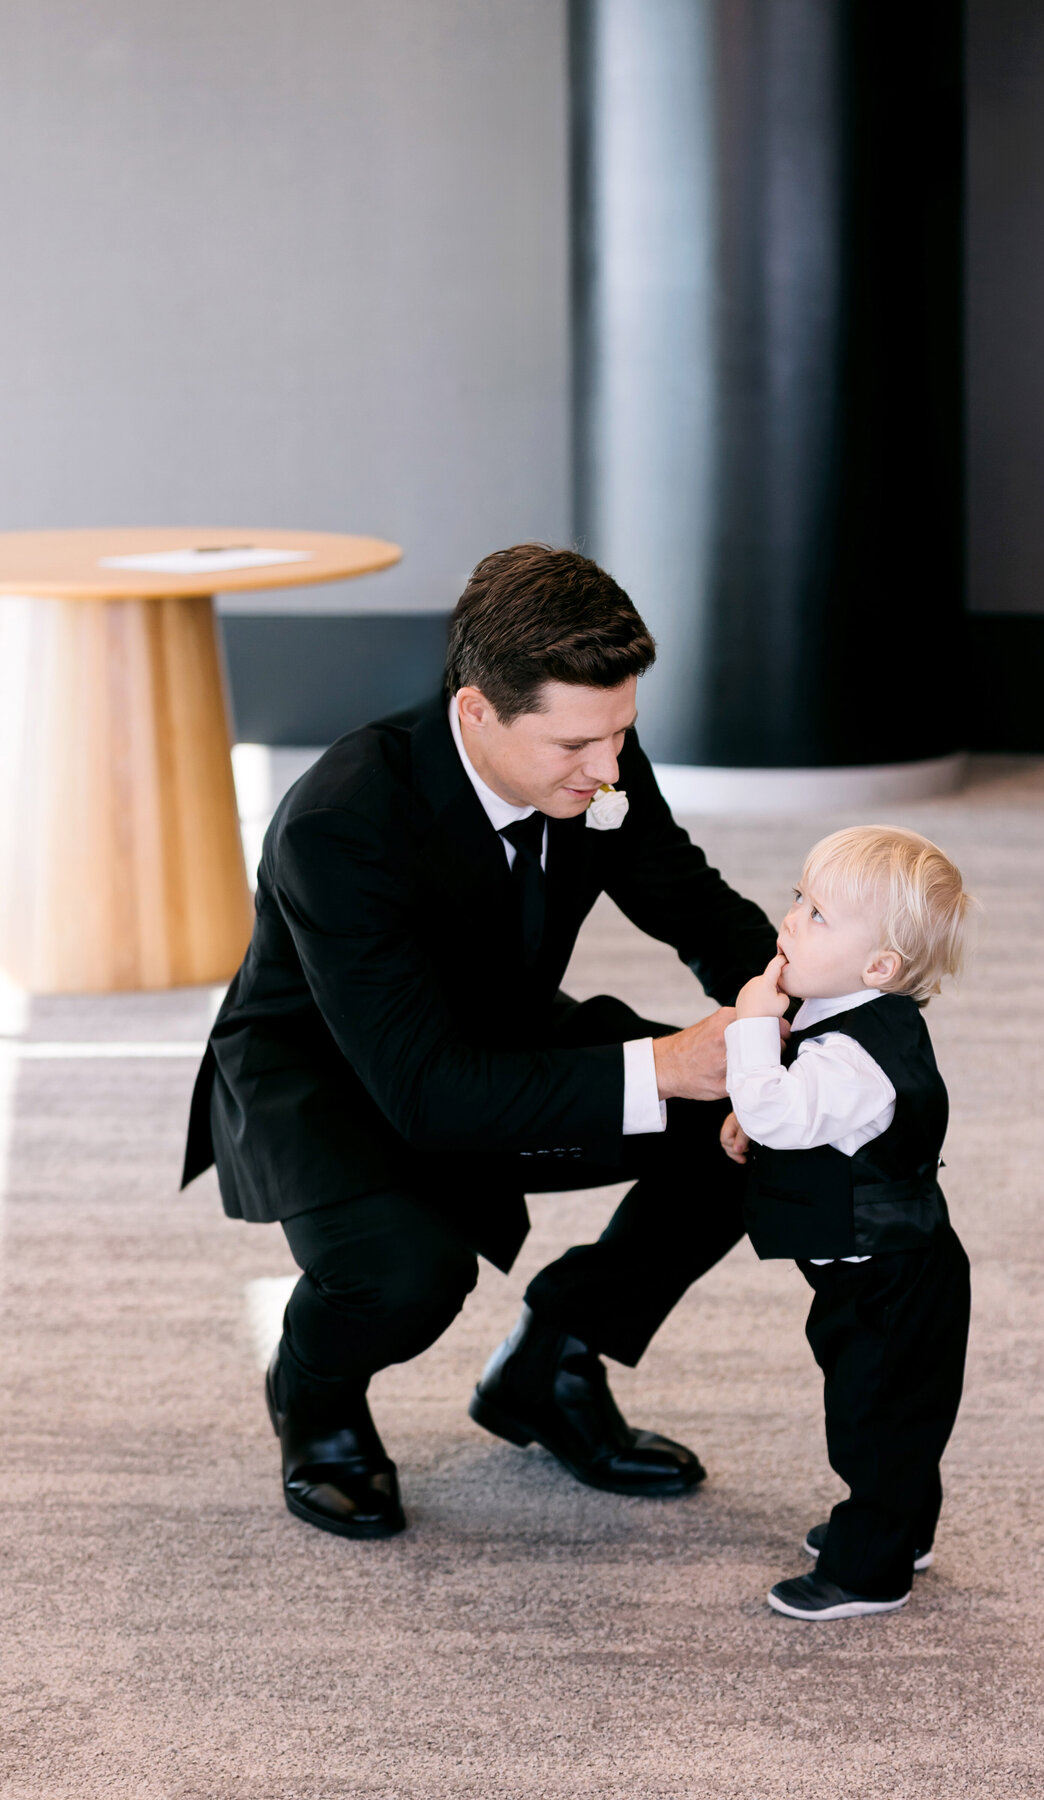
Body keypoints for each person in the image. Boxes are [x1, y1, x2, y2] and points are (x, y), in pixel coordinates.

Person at [182, 543, 778, 1538]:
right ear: (476, 713)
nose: (608, 768)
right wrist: (669, 1064)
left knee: (759, 1117)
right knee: (412, 1276)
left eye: (620, 735)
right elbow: (426, 1095)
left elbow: (700, 909)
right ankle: (315, 1398)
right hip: (330, 1077)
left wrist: (789, 1010)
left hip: (491, 1032)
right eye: (575, 747)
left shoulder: (595, 749)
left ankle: (552, 1364)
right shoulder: (340, 822)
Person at [720, 825, 973, 1619]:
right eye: (800, 897)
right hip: (883, 1262)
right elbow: (800, 1116)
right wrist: (758, 1120)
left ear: (880, 967)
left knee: (874, 1416)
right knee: (894, 1401)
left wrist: (752, 1026)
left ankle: (872, 1570)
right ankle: (904, 1528)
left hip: (889, 1273)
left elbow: (782, 1107)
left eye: (818, 913)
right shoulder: (849, 1013)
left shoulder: (857, 1055)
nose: (791, 918)